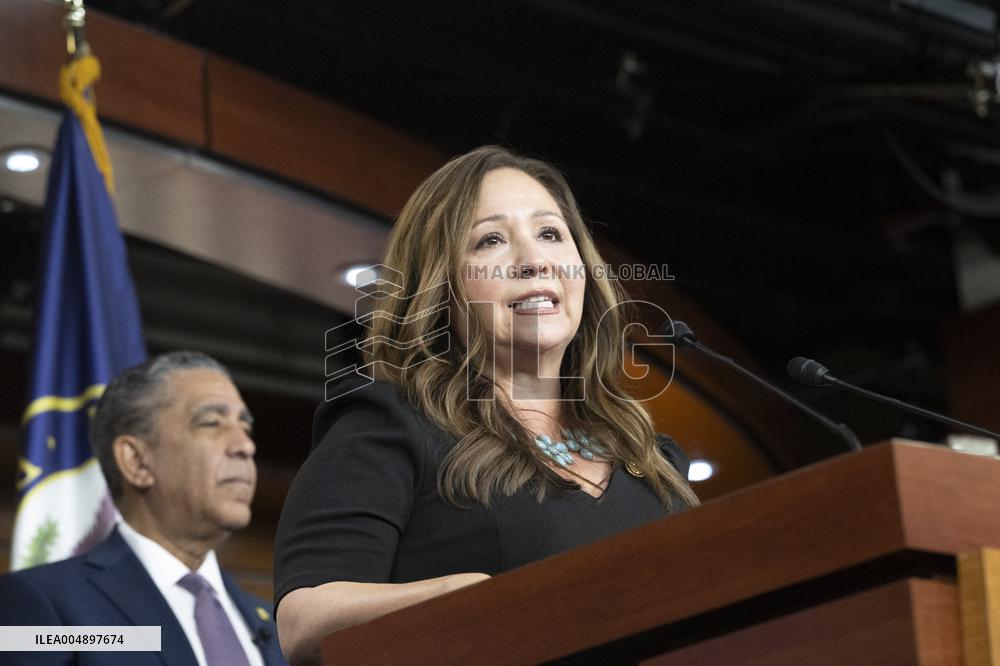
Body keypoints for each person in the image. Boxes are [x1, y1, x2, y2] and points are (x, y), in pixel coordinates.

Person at [274, 146, 700, 663]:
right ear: (440, 286)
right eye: (491, 240)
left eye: (550, 233)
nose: (534, 261)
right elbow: (304, 622)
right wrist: (457, 598)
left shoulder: (655, 459)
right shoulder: (389, 426)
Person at [0, 351, 286, 666]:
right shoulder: (42, 603)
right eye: (212, 422)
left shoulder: (274, 626)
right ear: (136, 461)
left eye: (245, 427)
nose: (245, 445)